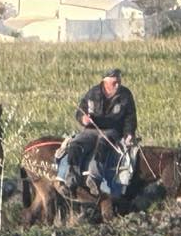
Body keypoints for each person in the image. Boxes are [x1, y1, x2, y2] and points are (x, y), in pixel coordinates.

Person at [56, 68, 137, 198]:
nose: (118, 85)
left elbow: (130, 118)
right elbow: (80, 111)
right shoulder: (93, 92)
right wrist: (83, 119)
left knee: (103, 145)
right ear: (105, 81)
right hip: (91, 130)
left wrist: (129, 134)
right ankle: (71, 179)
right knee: (76, 144)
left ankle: (94, 178)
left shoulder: (125, 95)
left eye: (119, 82)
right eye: (114, 82)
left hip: (112, 131)